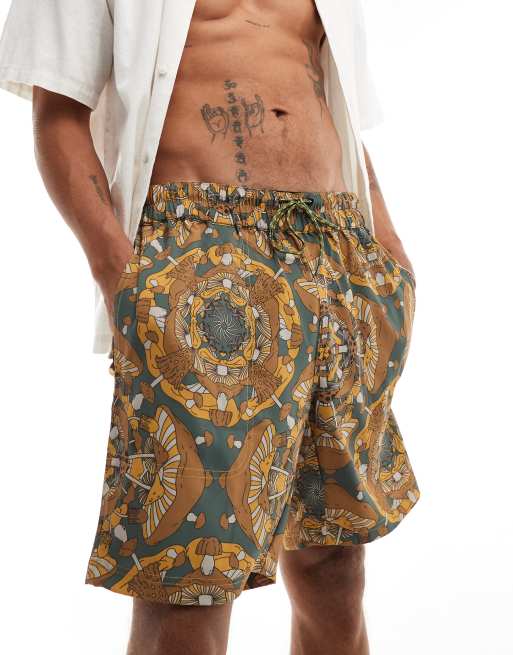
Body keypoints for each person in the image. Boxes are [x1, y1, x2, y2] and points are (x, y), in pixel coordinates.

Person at [0, 1, 421, 653]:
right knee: (188, 577)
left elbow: (329, 96)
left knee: (334, 561)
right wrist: (121, 277)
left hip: (337, 250)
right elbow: (57, 110)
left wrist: (387, 252)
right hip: (197, 250)